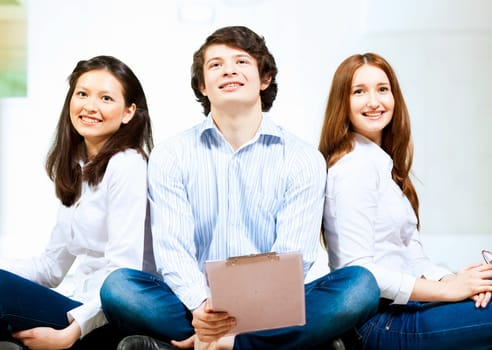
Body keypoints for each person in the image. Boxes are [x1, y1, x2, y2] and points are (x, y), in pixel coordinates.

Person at [100, 26, 379, 350]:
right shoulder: (171, 155)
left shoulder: (303, 158)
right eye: (216, 64)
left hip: (274, 307)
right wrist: (203, 306)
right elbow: (172, 251)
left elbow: (293, 256)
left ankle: (221, 344)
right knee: (118, 287)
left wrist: (245, 313)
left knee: (360, 286)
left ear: (264, 78)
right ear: (203, 86)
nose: (229, 69)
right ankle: (265, 343)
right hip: (193, 306)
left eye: (241, 61)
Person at [319, 52, 492, 349]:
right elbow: (360, 274)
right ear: (342, 103)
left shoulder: (383, 165)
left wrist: (454, 281)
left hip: (405, 310)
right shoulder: (353, 169)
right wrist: (449, 292)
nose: (374, 101)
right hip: (379, 323)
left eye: (382, 89)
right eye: (359, 91)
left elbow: (411, 254)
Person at [0, 55, 153, 350]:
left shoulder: (127, 164)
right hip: (78, 302)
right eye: (82, 94)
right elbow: (50, 267)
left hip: (105, 318)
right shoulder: (78, 166)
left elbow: (124, 275)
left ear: (128, 112)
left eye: (106, 98)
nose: (90, 106)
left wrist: (72, 333)